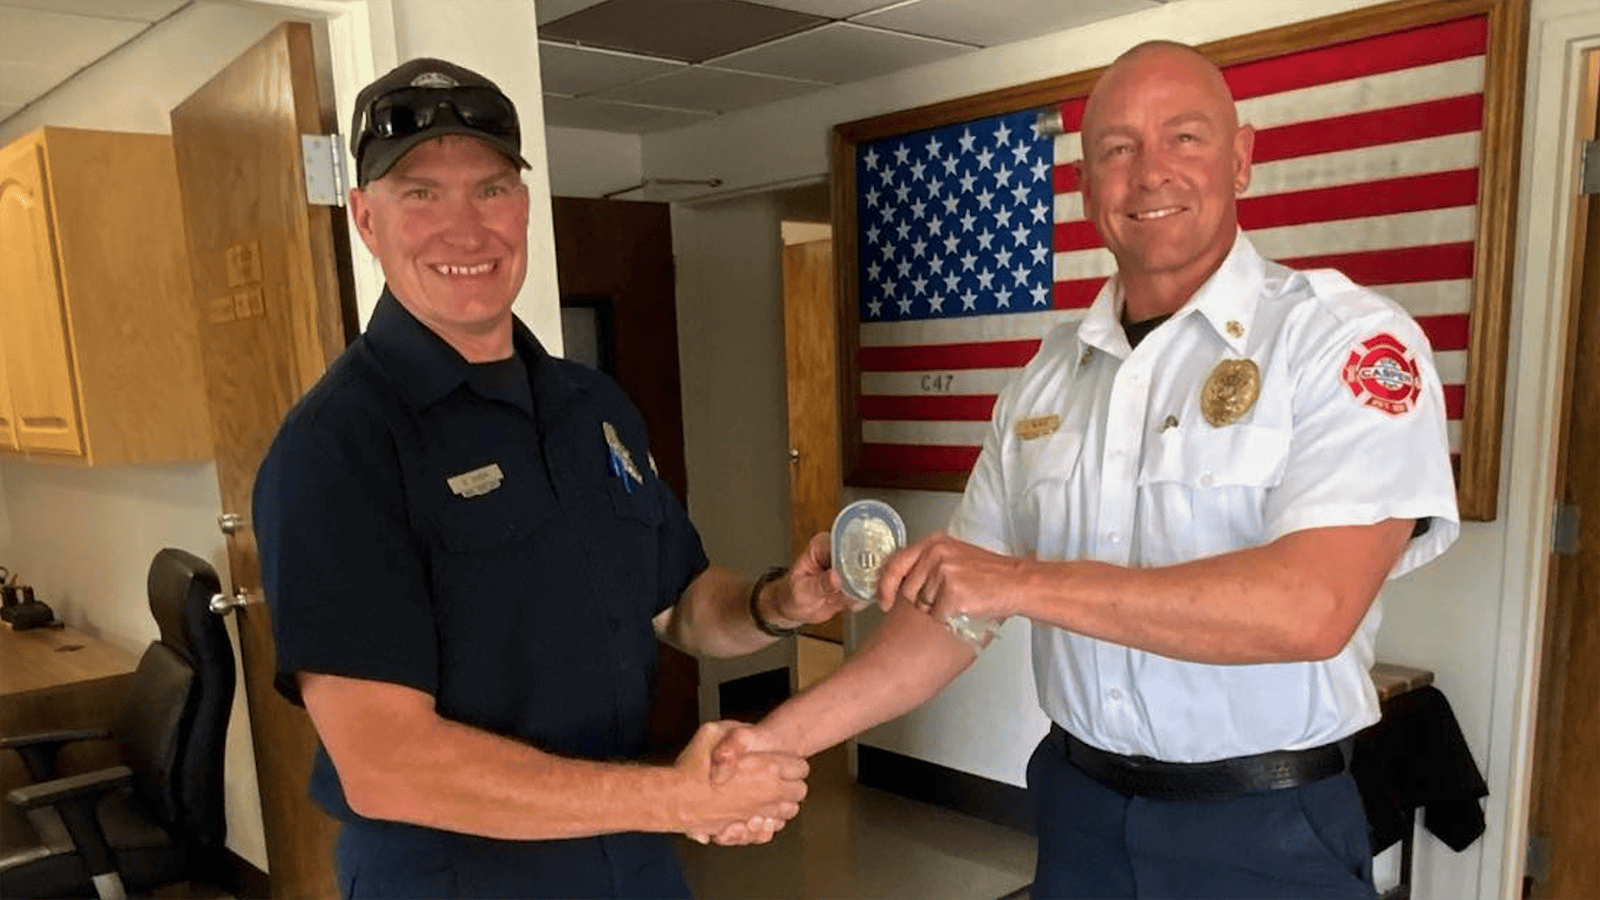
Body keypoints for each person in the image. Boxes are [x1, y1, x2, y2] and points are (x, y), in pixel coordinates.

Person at [711, 40, 1460, 899]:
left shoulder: (1343, 342)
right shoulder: (1047, 376)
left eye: (1185, 138)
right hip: (1079, 812)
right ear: (1084, 185)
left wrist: (1022, 582)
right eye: (1117, 148)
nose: (1150, 173)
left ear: (1243, 158)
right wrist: (777, 738)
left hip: (1265, 828)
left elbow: (1310, 608)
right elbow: (955, 616)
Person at [252, 57, 853, 900]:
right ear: (364, 218)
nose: (466, 230)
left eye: (491, 189)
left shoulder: (589, 405)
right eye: (420, 194)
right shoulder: (336, 447)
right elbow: (387, 765)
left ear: (525, 205)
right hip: (455, 872)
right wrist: (679, 796)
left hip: (629, 851)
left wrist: (776, 603)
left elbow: (678, 604)